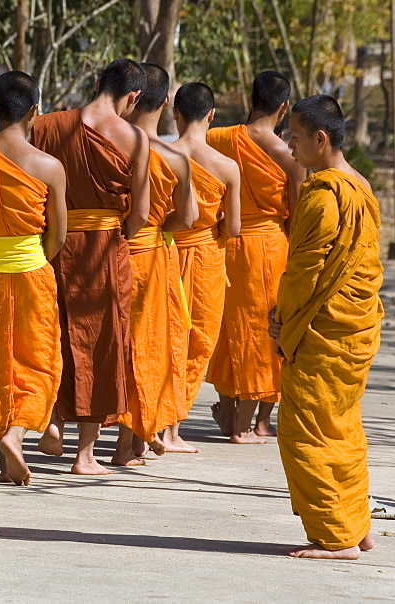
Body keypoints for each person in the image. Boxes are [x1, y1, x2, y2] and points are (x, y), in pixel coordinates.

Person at [269, 94, 383, 559]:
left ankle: (337, 537)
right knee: (341, 427)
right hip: (352, 330)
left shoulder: (325, 195)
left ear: (320, 139)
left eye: (294, 137)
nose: (288, 146)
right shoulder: (361, 186)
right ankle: (357, 524)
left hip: (324, 331)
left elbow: (303, 273)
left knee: (305, 432)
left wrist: (281, 318)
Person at [30, 58, 150, 475]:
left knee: (55, 332)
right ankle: (85, 454)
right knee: (102, 343)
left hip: (54, 244)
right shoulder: (133, 137)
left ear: (98, 83)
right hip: (104, 250)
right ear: (133, 96)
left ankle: (52, 422)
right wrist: (116, 232)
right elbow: (140, 213)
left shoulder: (46, 125)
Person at [0, 71, 66, 485]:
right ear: (35, 112)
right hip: (31, 272)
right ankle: (16, 432)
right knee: (39, 363)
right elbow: (57, 234)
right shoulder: (48, 166)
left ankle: (1, 449)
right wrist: (30, 258)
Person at [206, 71, 305, 444]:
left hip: (224, 243)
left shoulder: (217, 138)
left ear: (251, 99)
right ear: (284, 107)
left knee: (229, 328)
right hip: (268, 248)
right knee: (266, 332)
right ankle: (252, 423)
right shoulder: (289, 157)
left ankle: (231, 411)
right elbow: (295, 217)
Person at [118, 63, 196, 465]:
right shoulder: (175, 158)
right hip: (151, 254)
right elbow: (188, 218)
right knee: (148, 346)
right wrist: (156, 227)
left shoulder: (110, 146)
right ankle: (132, 440)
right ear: (165, 103)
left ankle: (88, 439)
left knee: (111, 341)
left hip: (110, 252)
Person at [165, 83, 241, 452]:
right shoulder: (226, 167)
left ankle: (151, 423)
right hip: (207, 255)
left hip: (163, 252)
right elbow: (234, 228)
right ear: (212, 115)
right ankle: (172, 429)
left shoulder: (159, 154)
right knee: (197, 343)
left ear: (175, 113)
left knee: (161, 337)